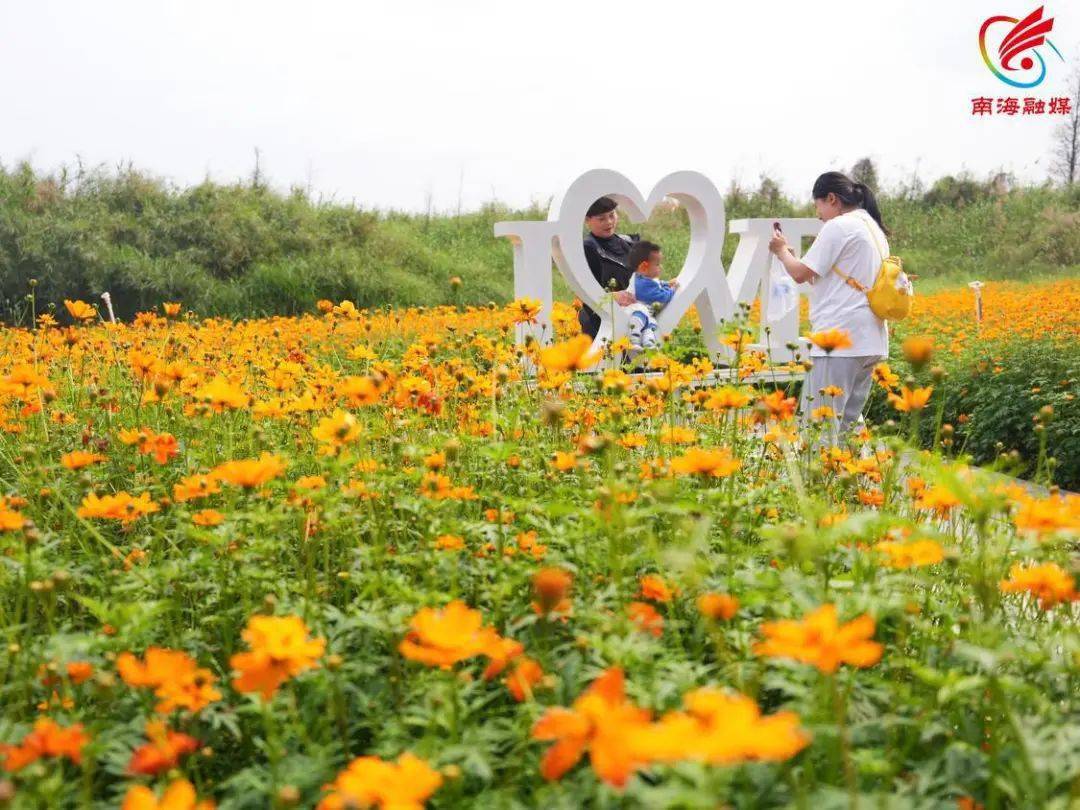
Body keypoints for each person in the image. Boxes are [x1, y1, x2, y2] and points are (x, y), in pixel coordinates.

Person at [768, 171, 890, 441]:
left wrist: (781, 251)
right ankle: (854, 468)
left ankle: (820, 470)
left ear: (832, 199)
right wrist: (791, 257)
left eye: (818, 206)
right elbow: (832, 278)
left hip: (839, 339)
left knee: (820, 427)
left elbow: (800, 274)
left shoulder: (839, 226)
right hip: (870, 340)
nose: (819, 216)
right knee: (848, 428)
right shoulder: (872, 227)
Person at [578, 197, 638, 338]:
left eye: (612, 215)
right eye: (601, 219)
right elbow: (585, 293)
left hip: (634, 320)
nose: (609, 222)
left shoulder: (629, 242)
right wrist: (613, 297)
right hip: (601, 327)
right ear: (587, 220)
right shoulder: (587, 249)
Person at [622, 240, 678, 353]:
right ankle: (633, 340)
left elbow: (657, 284)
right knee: (640, 317)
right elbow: (661, 296)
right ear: (644, 267)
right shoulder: (642, 285)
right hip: (634, 312)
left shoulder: (643, 278)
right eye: (657, 264)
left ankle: (649, 343)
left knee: (651, 324)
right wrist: (672, 289)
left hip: (646, 314)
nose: (660, 267)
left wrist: (667, 284)